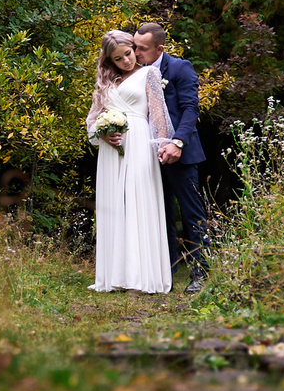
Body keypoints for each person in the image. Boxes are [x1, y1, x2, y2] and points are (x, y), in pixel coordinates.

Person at [85, 28, 173, 295]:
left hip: (139, 142)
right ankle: (115, 276)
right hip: (111, 149)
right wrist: (102, 133)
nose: (125, 61)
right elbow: (92, 120)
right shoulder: (105, 83)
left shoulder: (149, 74)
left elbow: (157, 114)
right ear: (109, 60)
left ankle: (142, 276)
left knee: (139, 201)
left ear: (134, 49)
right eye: (117, 58)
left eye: (128, 53)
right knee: (114, 205)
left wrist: (162, 145)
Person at [134, 22, 210, 295]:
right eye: (135, 46)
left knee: (192, 213)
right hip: (146, 154)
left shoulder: (179, 68)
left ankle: (201, 272)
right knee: (158, 213)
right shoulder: (134, 72)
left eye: (143, 48)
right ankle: (165, 272)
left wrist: (177, 142)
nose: (137, 52)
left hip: (181, 154)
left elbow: (190, 109)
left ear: (160, 49)